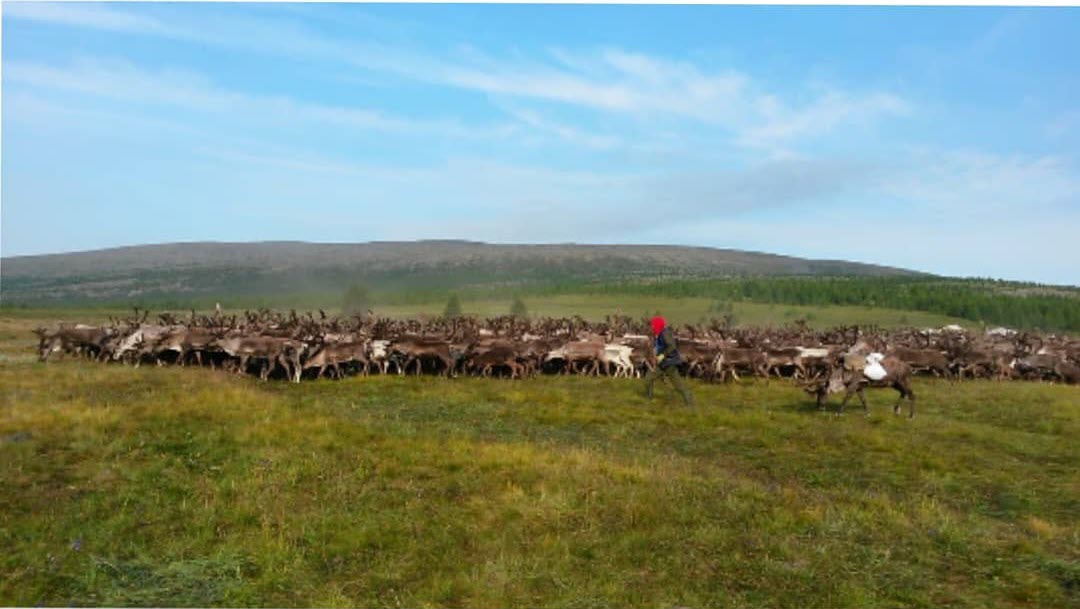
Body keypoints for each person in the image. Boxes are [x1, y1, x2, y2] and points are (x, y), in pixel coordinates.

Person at [643, 315, 693, 406]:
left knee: (678, 385)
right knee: (648, 379)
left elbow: (672, 346)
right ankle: (648, 399)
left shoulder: (665, 333)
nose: (651, 327)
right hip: (660, 363)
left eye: (652, 325)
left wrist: (662, 355)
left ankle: (688, 400)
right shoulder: (657, 334)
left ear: (657, 325)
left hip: (669, 363)